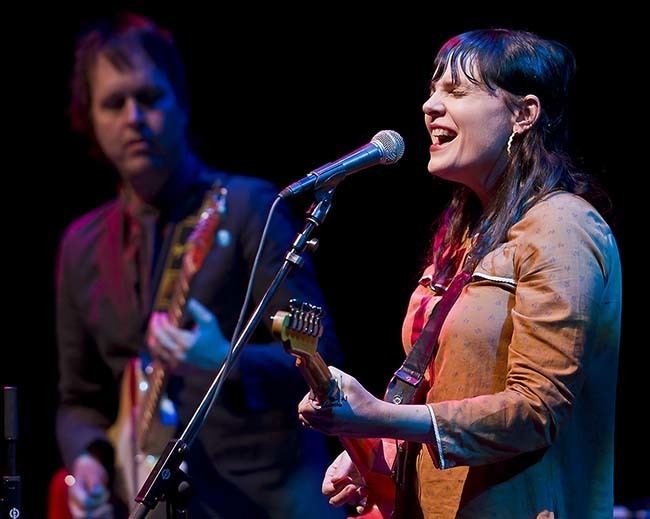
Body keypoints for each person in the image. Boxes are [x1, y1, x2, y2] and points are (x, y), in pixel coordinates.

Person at [298, 28, 621, 518]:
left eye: (456, 90)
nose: (430, 105)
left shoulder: (563, 227)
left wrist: (384, 418)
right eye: (432, 89)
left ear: (523, 114)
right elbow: (444, 386)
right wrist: (382, 450)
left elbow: (536, 410)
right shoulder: (465, 236)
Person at [53, 12, 345, 519]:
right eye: (113, 103)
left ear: (181, 104)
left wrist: (225, 361)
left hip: (266, 501)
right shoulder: (81, 245)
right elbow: (79, 400)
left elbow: (326, 361)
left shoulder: (251, 206)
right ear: (89, 119)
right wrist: (89, 464)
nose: (133, 118)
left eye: (148, 98)